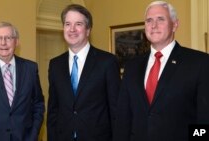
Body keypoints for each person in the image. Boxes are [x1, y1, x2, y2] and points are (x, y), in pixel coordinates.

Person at [113, 1, 209, 141]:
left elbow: (204, 119)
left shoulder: (199, 63)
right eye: (149, 20)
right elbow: (123, 119)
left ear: (175, 24)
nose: (153, 26)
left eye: (160, 19)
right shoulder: (132, 66)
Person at [47, 4, 121, 141]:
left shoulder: (107, 62)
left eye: (78, 24)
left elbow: (116, 110)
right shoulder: (55, 64)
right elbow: (53, 110)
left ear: (88, 30)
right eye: (68, 24)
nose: (72, 29)